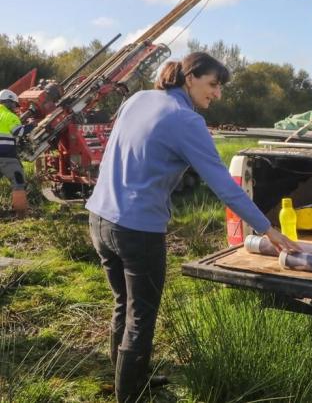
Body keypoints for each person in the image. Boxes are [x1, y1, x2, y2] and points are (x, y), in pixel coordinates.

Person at [86, 52, 299, 402]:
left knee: (122, 303)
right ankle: (130, 395)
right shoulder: (186, 121)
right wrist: (267, 229)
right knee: (141, 316)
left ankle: (127, 378)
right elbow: (224, 185)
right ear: (190, 78)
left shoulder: (138, 98)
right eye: (213, 84)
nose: (217, 94)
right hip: (138, 229)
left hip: (99, 218)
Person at [0, 89, 33, 217]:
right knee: (18, 181)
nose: (15, 107)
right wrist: (31, 125)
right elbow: (18, 132)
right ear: (8, 102)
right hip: (7, 158)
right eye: (14, 104)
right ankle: (21, 214)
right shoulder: (10, 116)